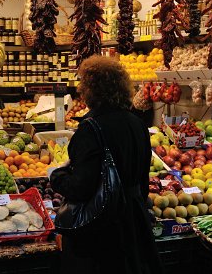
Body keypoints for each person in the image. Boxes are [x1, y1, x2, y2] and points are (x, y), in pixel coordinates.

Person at [49, 56, 163, 274]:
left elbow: (81, 188)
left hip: (101, 230)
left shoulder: (91, 128)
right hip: (133, 223)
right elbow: (142, 180)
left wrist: (56, 176)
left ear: (91, 90)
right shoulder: (138, 124)